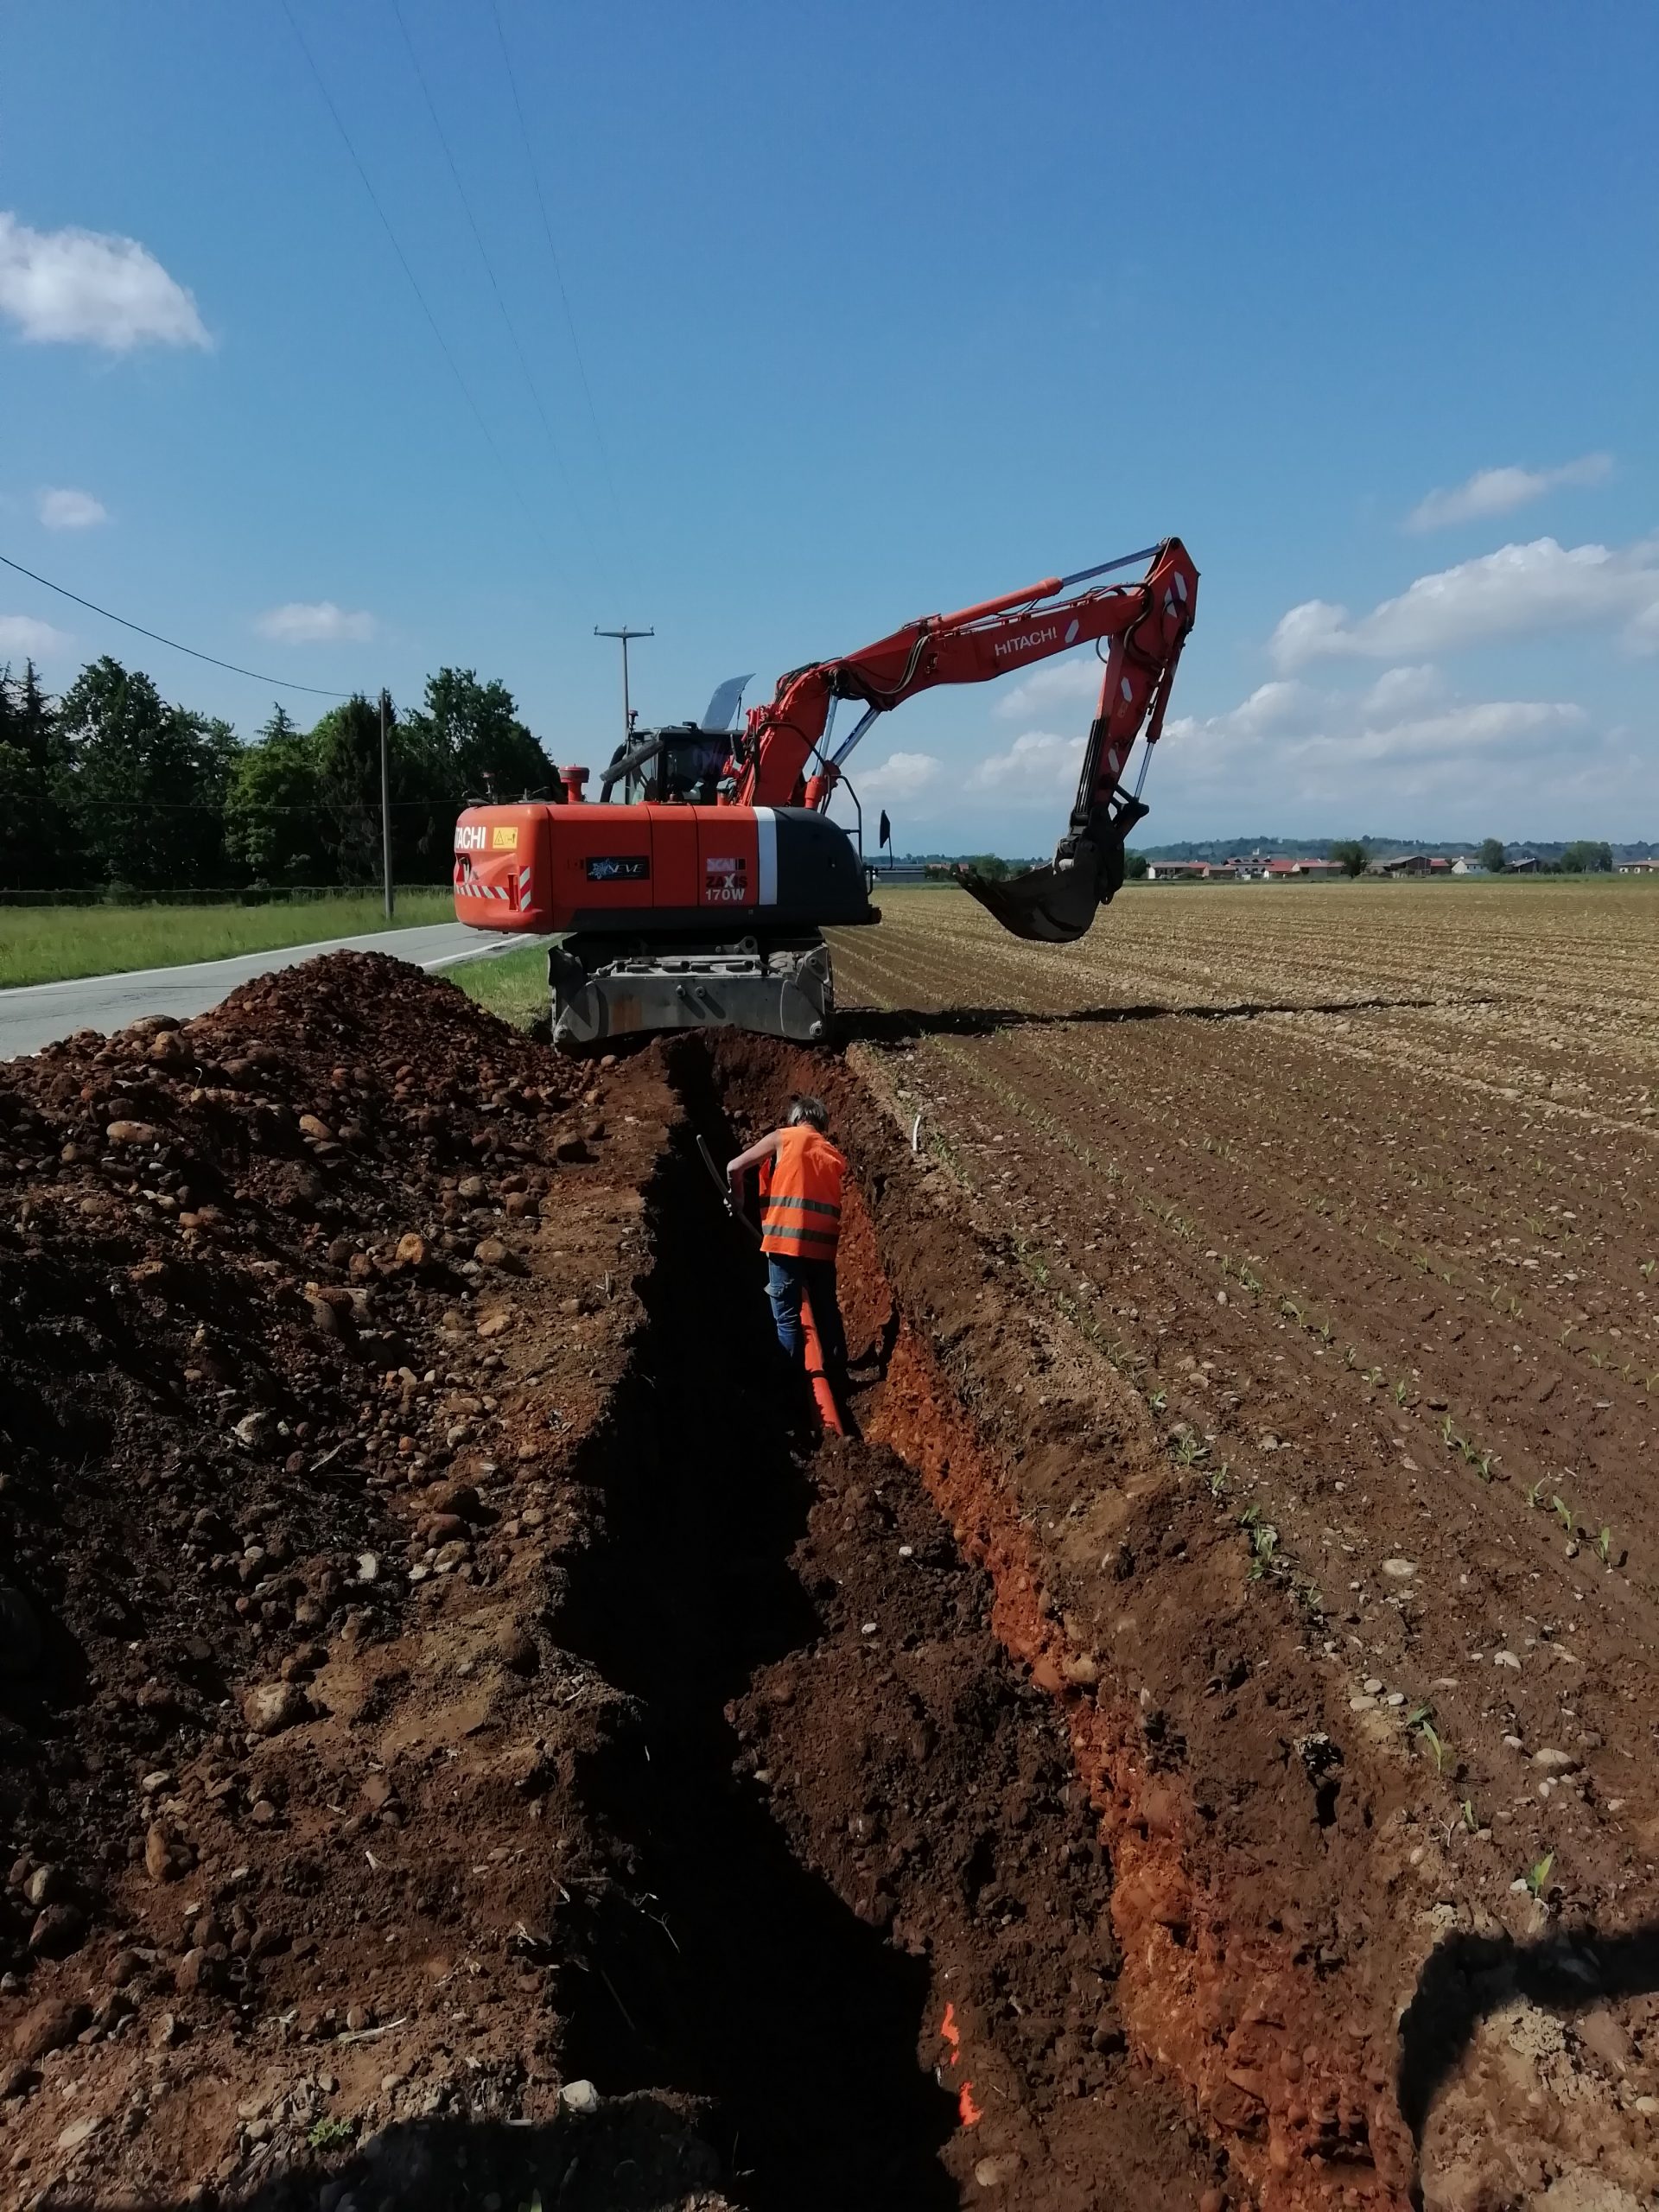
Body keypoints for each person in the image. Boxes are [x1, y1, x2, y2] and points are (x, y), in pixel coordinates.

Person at [727, 1095, 849, 1387]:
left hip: (784, 1245)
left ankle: (793, 1383)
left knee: (788, 1316)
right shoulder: (833, 1154)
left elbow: (734, 1168)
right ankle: (838, 1375)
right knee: (826, 1309)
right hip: (822, 1248)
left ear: (796, 1119)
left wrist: (739, 1199)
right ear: (822, 1124)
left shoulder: (783, 1138)